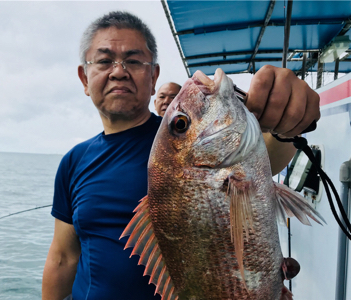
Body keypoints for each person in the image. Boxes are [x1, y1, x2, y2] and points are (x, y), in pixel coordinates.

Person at [42, 11, 320, 300]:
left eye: (134, 60)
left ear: (154, 78)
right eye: (104, 61)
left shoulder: (174, 150)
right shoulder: (73, 161)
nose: (118, 71)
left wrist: (285, 122)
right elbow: (62, 256)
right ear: (84, 79)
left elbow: (269, 154)